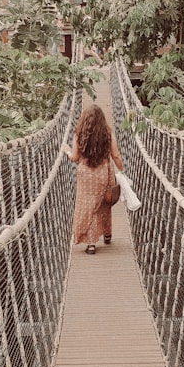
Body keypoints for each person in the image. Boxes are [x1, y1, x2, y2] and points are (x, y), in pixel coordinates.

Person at [64, 103, 124, 254]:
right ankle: (107, 234)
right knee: (104, 203)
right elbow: (115, 155)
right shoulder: (107, 134)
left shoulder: (79, 134)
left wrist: (67, 151)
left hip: (85, 174)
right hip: (104, 172)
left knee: (88, 207)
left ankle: (91, 244)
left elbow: (75, 157)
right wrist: (122, 170)